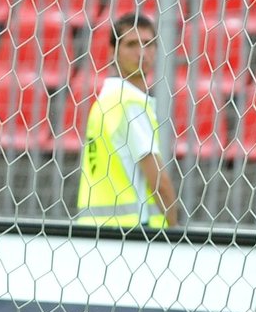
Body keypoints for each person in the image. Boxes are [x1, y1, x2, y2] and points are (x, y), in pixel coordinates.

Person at [76, 12, 179, 228]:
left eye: (148, 43)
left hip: (93, 227)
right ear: (113, 52)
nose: (142, 52)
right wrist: (176, 233)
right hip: (130, 232)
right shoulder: (129, 103)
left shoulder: (104, 101)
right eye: (132, 44)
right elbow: (158, 183)